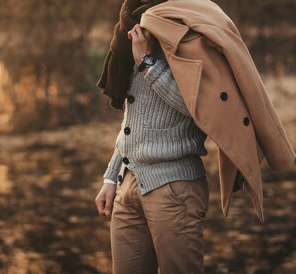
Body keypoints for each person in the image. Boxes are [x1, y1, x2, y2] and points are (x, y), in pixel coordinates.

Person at [95, 12, 210, 274]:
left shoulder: (196, 26)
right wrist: (111, 177)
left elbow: (201, 108)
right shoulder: (133, 28)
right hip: (128, 185)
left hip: (174, 189)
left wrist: (148, 63)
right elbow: (133, 118)